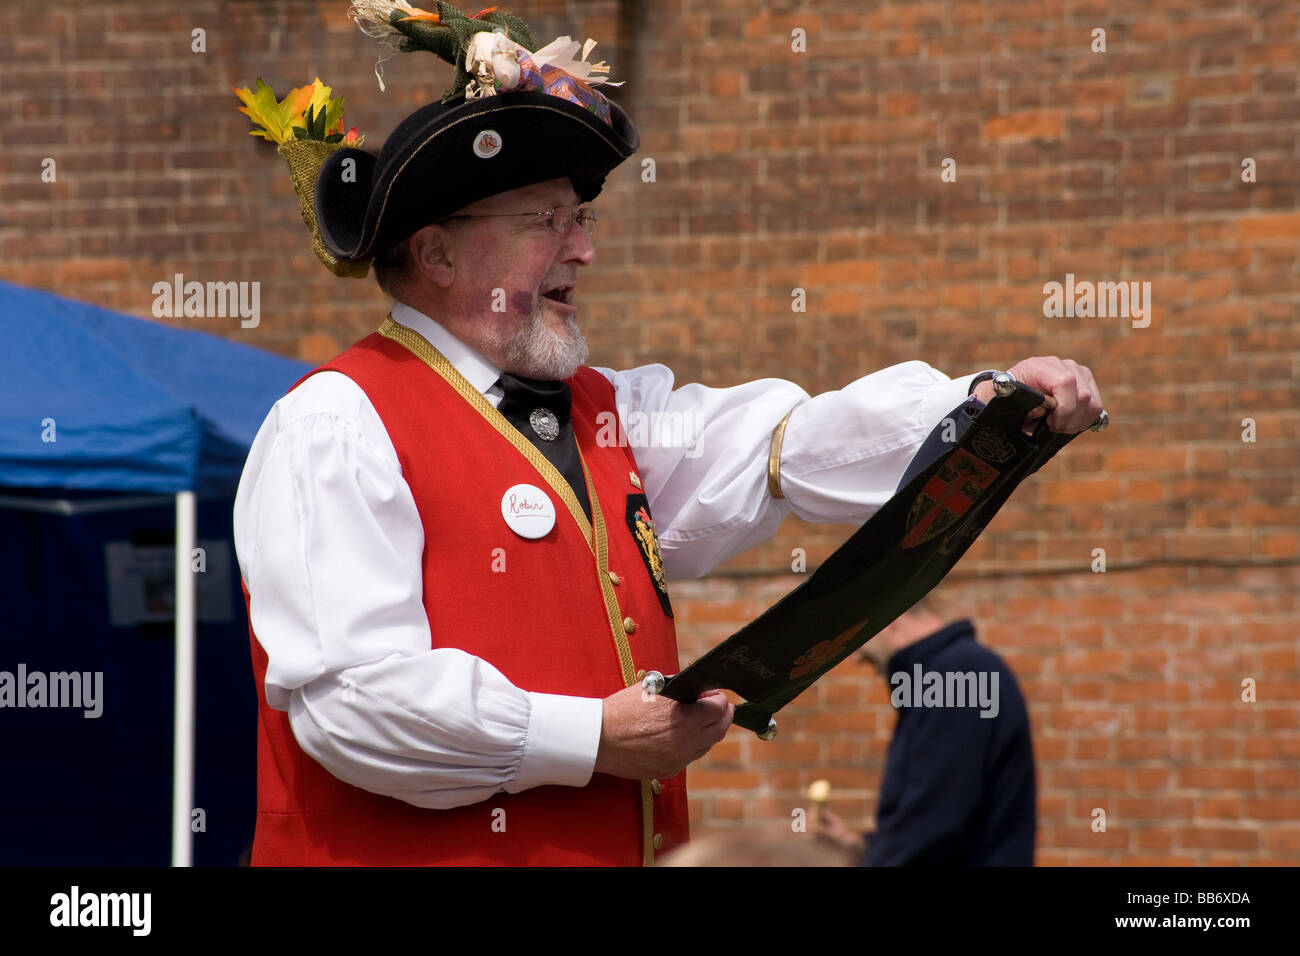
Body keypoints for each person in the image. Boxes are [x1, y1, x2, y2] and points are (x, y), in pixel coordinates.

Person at [233, 4, 1101, 866]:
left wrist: (977, 404)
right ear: (438, 254)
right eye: (546, 221)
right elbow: (353, 704)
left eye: (583, 219)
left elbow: (781, 443)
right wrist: (591, 737)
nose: (583, 251)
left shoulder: (604, 410)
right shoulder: (336, 422)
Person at [816, 597, 1037, 865]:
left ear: (888, 619)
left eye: (856, 636)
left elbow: (933, 829)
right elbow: (933, 822)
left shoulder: (957, 676)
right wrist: (858, 847)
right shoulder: (949, 673)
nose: (856, 656)